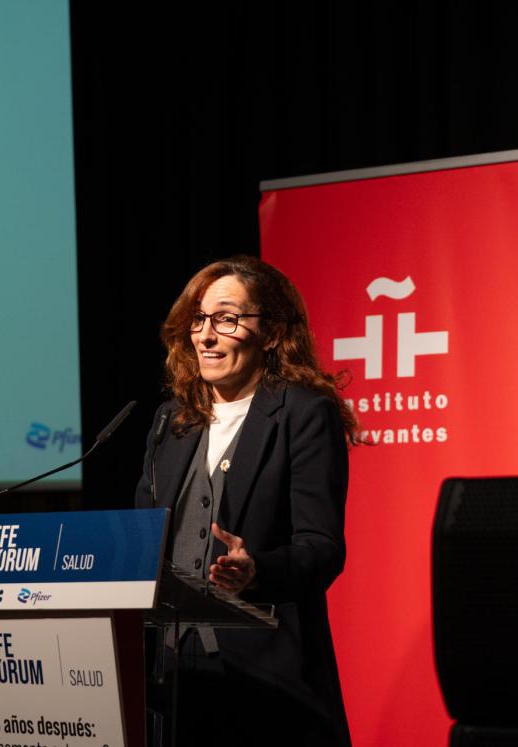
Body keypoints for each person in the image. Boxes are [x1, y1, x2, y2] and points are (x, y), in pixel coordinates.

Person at [135, 255, 356, 746]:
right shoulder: (172, 420)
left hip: (264, 673)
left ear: (272, 332)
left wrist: (258, 571)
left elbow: (322, 547)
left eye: (227, 319)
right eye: (199, 319)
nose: (206, 336)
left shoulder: (303, 412)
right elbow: (140, 539)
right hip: (171, 673)